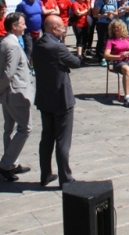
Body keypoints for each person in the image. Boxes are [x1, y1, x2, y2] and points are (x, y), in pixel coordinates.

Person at [32, 15, 81, 189]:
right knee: (62, 140)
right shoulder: (58, 47)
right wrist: (77, 53)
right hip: (61, 98)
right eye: (62, 28)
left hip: (44, 97)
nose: (64, 30)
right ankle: (65, 178)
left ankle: (45, 174)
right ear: (54, 29)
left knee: (47, 138)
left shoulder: (37, 44)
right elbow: (75, 62)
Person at [0, 12, 34, 181]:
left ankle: (11, 163)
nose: (25, 26)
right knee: (25, 128)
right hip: (16, 93)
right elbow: (8, 72)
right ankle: (5, 164)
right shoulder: (12, 45)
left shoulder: (2, 42)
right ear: (14, 26)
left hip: (6, 95)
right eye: (22, 24)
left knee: (9, 128)